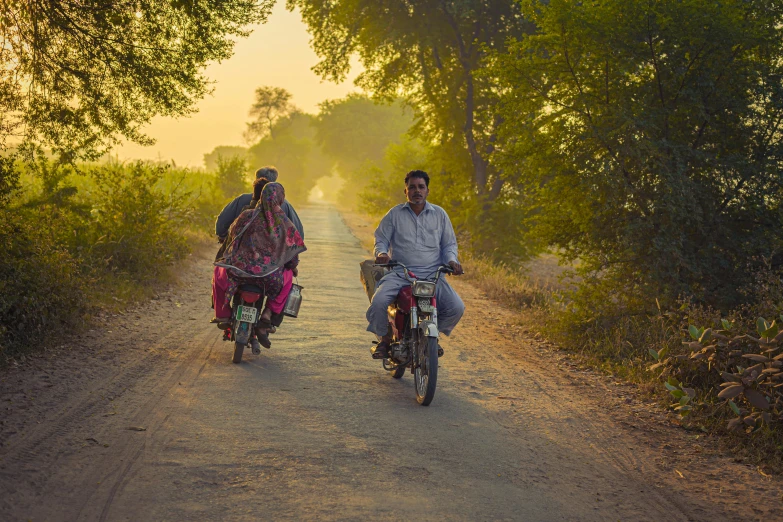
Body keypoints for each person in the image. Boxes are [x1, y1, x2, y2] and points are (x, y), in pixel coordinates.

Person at [367, 170, 465, 359]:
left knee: (457, 307)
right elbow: (381, 239)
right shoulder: (395, 214)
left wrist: (452, 261)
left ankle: (431, 339)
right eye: (412, 187)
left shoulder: (440, 214)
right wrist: (381, 254)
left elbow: (449, 245)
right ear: (405, 191)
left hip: (432, 275)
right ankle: (385, 341)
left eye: (421, 187)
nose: (417, 191)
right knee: (378, 302)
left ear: (427, 191)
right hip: (400, 274)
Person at [215, 182, 306, 349]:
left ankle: (223, 312)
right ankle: (267, 313)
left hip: (239, 273)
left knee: (219, 271)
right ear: (281, 199)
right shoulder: (285, 224)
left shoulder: (245, 216)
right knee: (287, 279)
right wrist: (293, 266)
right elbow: (292, 251)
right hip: (269, 278)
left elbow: (231, 239)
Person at [215, 166, 303, 241]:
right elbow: (299, 234)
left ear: (256, 181)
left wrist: (223, 236)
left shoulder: (243, 202)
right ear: (274, 182)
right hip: (274, 257)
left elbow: (222, 222)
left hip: (242, 255)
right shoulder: (284, 204)